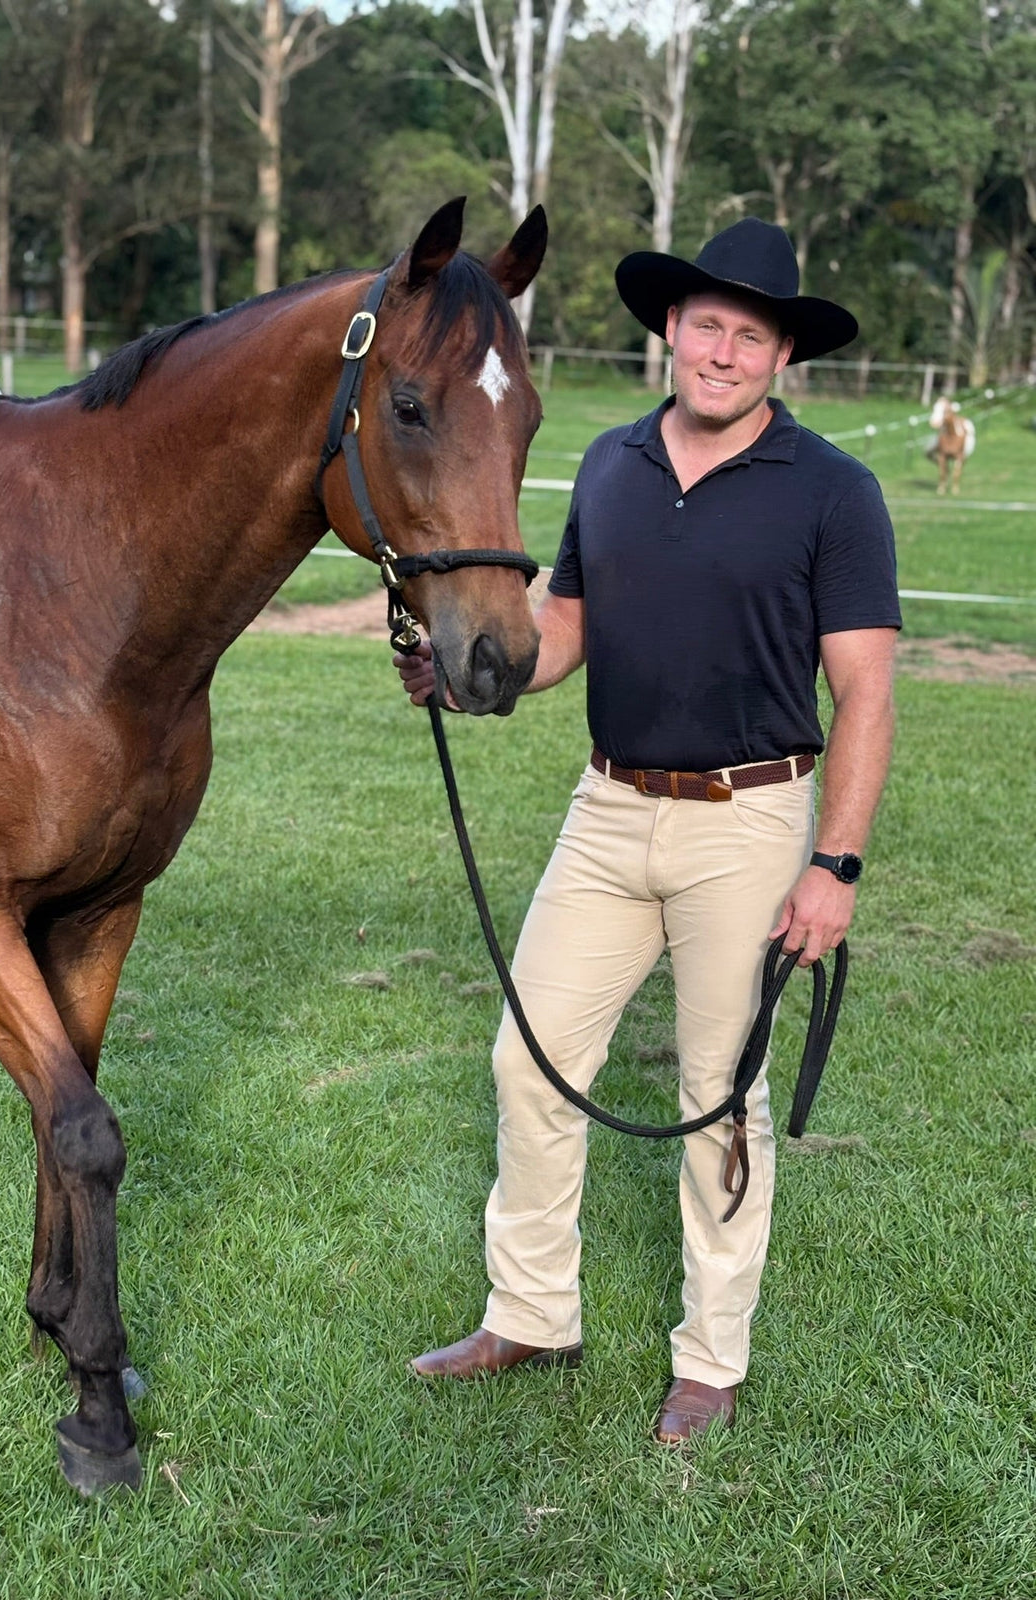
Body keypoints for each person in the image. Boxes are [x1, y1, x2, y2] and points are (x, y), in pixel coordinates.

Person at [394, 217, 901, 1442]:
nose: (723, 351)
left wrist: (834, 865)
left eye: (752, 334)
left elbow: (867, 693)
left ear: (781, 355)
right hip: (608, 809)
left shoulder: (835, 491)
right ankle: (531, 1312)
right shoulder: (613, 464)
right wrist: (479, 672)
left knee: (721, 1095)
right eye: (707, 324)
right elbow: (565, 624)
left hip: (751, 816)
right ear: (670, 328)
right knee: (530, 1057)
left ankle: (710, 1361)